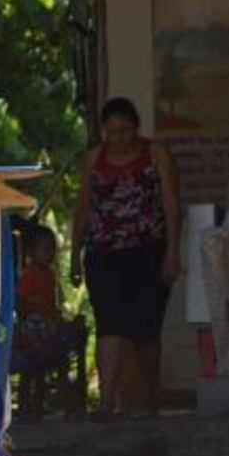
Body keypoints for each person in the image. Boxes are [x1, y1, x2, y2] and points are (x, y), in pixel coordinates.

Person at [70, 97, 180, 419]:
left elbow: (172, 205)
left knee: (146, 330)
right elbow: (82, 209)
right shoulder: (94, 160)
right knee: (109, 324)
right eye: (112, 132)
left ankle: (149, 397)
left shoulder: (156, 154)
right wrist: (75, 255)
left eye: (125, 131)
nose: (119, 138)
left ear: (136, 128)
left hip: (148, 251)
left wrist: (173, 252)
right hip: (104, 253)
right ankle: (106, 402)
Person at [13, 224, 85, 421]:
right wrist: (24, 321)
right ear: (31, 252)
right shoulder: (29, 274)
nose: (50, 253)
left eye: (52, 248)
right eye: (45, 249)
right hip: (34, 325)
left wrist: (55, 315)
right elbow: (21, 299)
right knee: (31, 369)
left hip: (47, 323)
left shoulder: (50, 274)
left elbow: (52, 301)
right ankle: (26, 406)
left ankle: (45, 404)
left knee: (49, 365)